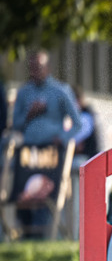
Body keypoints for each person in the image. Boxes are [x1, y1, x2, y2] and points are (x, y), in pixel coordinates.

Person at [10, 50, 82, 238]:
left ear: (47, 67)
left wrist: (63, 138)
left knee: (46, 195)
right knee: (23, 192)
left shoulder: (60, 91)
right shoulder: (24, 92)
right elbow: (15, 124)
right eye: (32, 68)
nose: (35, 71)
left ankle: (43, 234)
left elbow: (77, 123)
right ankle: (25, 233)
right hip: (29, 153)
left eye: (39, 67)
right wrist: (30, 114)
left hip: (52, 153)